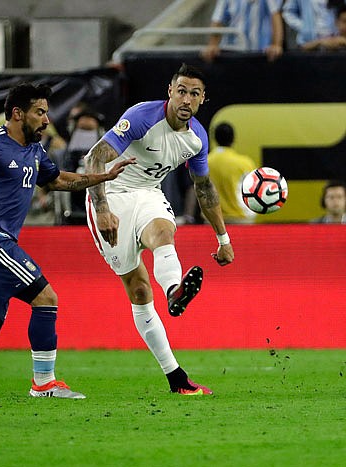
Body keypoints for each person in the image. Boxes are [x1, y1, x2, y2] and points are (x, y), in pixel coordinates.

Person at [0, 82, 134, 399]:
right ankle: (44, 383)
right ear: (18, 114)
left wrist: (104, 176)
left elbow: (57, 180)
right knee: (46, 298)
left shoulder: (33, 149)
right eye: (40, 112)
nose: (46, 120)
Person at [84, 63, 235, 396]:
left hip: (149, 194)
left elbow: (204, 187)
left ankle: (173, 292)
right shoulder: (141, 116)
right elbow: (94, 159)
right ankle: (175, 376)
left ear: (202, 99)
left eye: (194, 93)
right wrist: (102, 208)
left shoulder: (196, 138)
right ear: (170, 91)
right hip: (110, 193)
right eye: (181, 90)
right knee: (138, 290)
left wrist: (223, 238)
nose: (186, 99)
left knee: (164, 232)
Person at [58, 107, 106, 225]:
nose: (85, 136)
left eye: (90, 131)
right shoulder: (59, 155)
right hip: (69, 215)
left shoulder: (108, 157)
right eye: (82, 131)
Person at [201, 0, 284, 62]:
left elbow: (275, 15)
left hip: (260, 53)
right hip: (232, 52)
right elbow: (217, 20)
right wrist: (213, 45)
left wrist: (276, 44)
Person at [207, 122, 257, 224]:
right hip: (241, 219)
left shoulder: (205, 162)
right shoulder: (245, 163)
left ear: (215, 139)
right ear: (233, 139)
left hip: (212, 220)